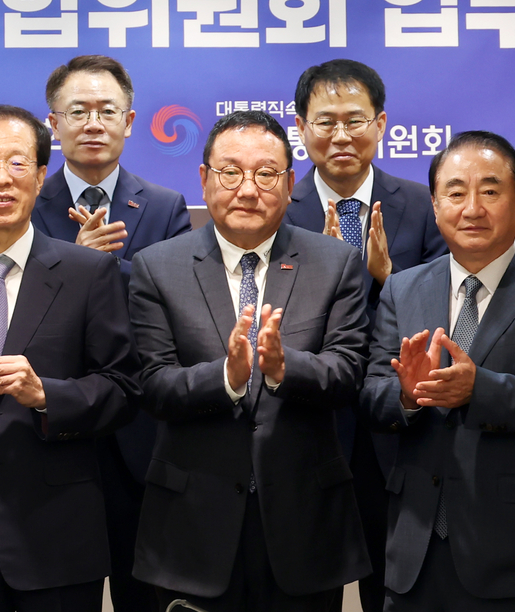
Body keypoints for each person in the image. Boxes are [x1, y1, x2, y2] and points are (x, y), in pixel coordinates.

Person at [130, 110, 370, 611]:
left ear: (288, 184)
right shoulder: (157, 266)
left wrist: (284, 369)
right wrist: (226, 377)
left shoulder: (336, 262)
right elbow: (152, 384)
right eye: (230, 172)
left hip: (304, 524)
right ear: (203, 178)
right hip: (193, 526)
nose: (246, 189)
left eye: (265, 174)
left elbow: (349, 371)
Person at [0, 104, 138, 612]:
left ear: (39, 177)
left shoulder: (88, 273)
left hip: (58, 534)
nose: (1, 179)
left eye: (17, 163)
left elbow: (124, 389)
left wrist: (45, 395)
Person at [361, 131, 515, 611]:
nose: (472, 208)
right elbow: (371, 395)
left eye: (489, 191)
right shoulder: (402, 288)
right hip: (413, 554)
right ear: (434, 204)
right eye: (455, 192)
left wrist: (478, 390)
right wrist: (407, 396)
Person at [287, 58, 447, 612]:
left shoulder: (424, 205)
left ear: (380, 124)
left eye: (354, 120)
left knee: (393, 586)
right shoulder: (277, 208)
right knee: (308, 585)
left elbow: (447, 314)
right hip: (309, 426)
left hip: (398, 430)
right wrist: (328, 277)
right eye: (325, 121)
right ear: (301, 127)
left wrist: (388, 278)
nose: (340, 136)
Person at [33, 54, 190, 611]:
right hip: (52, 425)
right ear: (53, 124)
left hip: (137, 430)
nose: (93, 123)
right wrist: (72, 263)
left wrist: (94, 269)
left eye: (107, 111)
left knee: (142, 595)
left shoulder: (166, 208)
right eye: (78, 111)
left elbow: (177, 302)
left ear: (129, 121)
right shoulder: (26, 202)